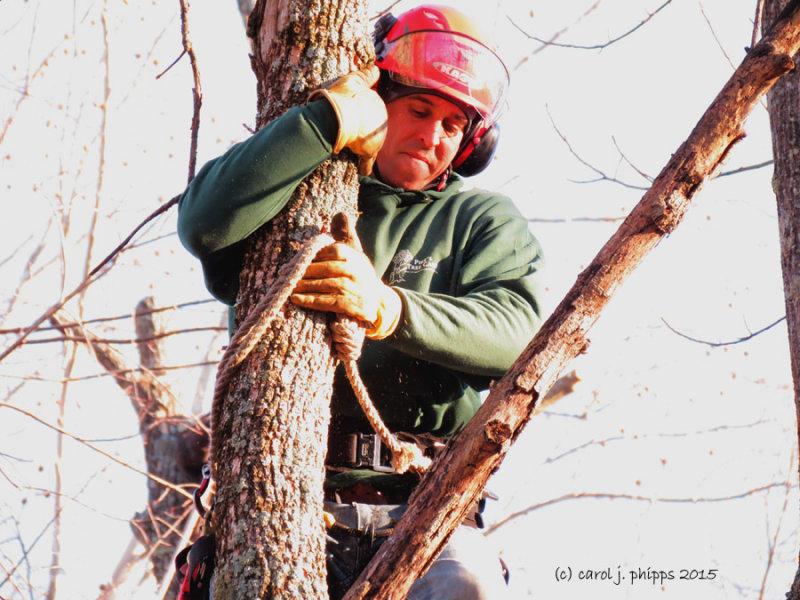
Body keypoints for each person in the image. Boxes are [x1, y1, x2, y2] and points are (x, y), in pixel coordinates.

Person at [177, 4, 545, 598]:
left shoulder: (477, 219)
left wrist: (388, 309)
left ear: (472, 144)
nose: (432, 135)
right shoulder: (300, 176)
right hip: (278, 502)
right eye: (419, 109)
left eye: (453, 126)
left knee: (466, 586)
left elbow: (518, 337)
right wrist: (322, 124)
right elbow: (203, 223)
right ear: (378, 96)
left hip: (421, 513)